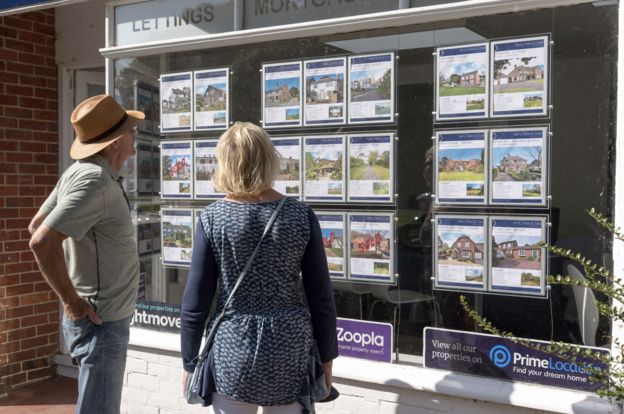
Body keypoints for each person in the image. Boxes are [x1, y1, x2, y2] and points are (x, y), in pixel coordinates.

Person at [181, 122, 338, 414]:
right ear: (269, 159)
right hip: (289, 348)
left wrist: (190, 360)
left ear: (225, 163)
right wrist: (326, 359)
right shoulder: (300, 215)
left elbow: (196, 300)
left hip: (233, 346)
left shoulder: (213, 218)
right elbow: (321, 298)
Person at [28, 94, 144, 414]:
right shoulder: (94, 180)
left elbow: (36, 224)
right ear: (116, 142)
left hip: (99, 320)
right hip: (100, 323)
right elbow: (41, 239)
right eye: (130, 130)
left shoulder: (81, 172)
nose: (134, 134)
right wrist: (71, 300)